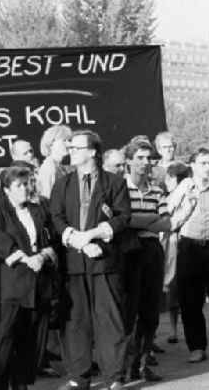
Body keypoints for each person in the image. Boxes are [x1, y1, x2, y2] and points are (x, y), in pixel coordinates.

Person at [50, 130, 131, 390]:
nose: (71, 151)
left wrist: (94, 235)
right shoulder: (62, 183)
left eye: (76, 147)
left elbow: (122, 218)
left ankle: (114, 377)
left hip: (106, 262)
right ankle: (79, 376)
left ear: (92, 152)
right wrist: (80, 242)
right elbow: (56, 218)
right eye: (70, 147)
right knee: (76, 322)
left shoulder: (114, 182)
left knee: (109, 322)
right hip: (74, 262)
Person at [0, 166, 57, 390]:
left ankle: (21, 385)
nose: (25, 188)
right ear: (6, 190)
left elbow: (50, 239)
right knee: (4, 344)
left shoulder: (38, 210)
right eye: (19, 185)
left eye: (27, 184)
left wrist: (43, 255)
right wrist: (26, 259)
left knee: (29, 344)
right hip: (10, 288)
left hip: (36, 286)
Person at [121, 138, 169, 382]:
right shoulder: (119, 188)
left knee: (150, 311)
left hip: (151, 249)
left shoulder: (157, 189)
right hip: (128, 251)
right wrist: (145, 221)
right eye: (139, 157)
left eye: (148, 158)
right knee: (128, 311)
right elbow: (121, 221)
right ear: (129, 160)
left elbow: (166, 223)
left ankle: (141, 363)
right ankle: (123, 366)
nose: (145, 163)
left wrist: (135, 221)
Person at [170, 147, 209, 362]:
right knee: (190, 299)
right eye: (203, 163)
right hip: (189, 247)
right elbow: (167, 209)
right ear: (193, 165)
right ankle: (197, 347)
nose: (208, 167)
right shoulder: (185, 186)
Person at [161, 161, 191, 345]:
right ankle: (172, 330)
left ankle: (173, 330)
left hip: (174, 241)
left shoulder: (182, 193)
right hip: (171, 241)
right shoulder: (170, 194)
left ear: (172, 177)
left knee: (171, 286)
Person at [37, 126, 73, 201]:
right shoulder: (49, 167)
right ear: (51, 143)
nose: (69, 144)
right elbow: (47, 198)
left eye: (69, 140)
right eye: (64, 140)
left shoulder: (59, 166)